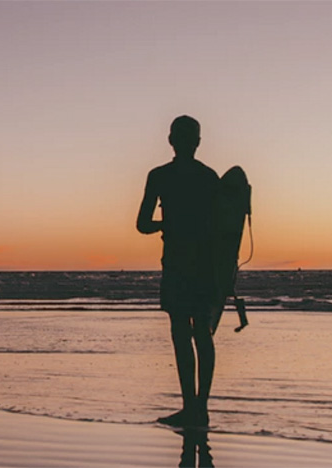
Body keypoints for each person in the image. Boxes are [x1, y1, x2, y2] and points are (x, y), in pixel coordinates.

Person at [137, 115, 219, 427]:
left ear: (171, 141)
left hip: (176, 263)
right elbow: (223, 230)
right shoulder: (209, 177)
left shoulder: (159, 176)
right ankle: (201, 409)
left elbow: (142, 224)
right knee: (203, 334)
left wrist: (167, 224)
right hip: (206, 266)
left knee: (181, 335)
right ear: (198, 142)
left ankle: (190, 408)